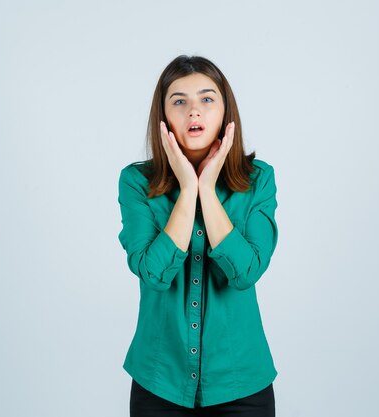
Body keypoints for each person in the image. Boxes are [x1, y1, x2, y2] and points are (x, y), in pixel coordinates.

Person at [116, 55, 279, 417]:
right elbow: (153, 274)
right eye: (179, 101)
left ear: (225, 111)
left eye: (207, 99)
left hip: (241, 385)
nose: (194, 112)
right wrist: (188, 190)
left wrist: (208, 188)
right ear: (163, 116)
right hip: (159, 383)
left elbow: (246, 272)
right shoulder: (136, 183)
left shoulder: (258, 181)